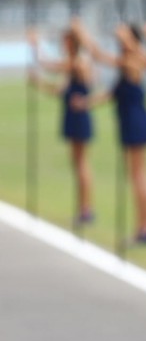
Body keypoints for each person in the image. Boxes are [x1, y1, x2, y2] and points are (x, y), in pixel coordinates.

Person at [72, 20, 146, 243]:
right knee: (137, 175)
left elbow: (102, 56)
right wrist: (87, 103)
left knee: (140, 176)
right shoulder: (125, 63)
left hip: (136, 120)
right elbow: (110, 93)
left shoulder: (135, 59)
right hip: (128, 120)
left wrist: (86, 36)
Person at [27, 26, 94, 226]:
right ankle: (83, 208)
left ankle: (86, 209)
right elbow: (59, 90)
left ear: (72, 42)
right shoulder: (73, 64)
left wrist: (36, 46)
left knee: (81, 163)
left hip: (79, 116)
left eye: (66, 41)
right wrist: (38, 83)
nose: (63, 44)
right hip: (71, 116)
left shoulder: (78, 62)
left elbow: (48, 64)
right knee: (77, 162)